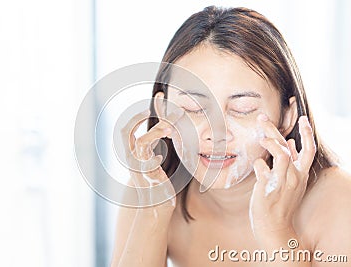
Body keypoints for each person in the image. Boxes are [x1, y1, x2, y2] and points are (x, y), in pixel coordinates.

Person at [111, 6, 351, 267]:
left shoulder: (339, 203)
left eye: (241, 109)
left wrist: (275, 231)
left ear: (286, 118)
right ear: (164, 110)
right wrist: (154, 213)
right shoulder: (151, 187)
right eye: (193, 107)